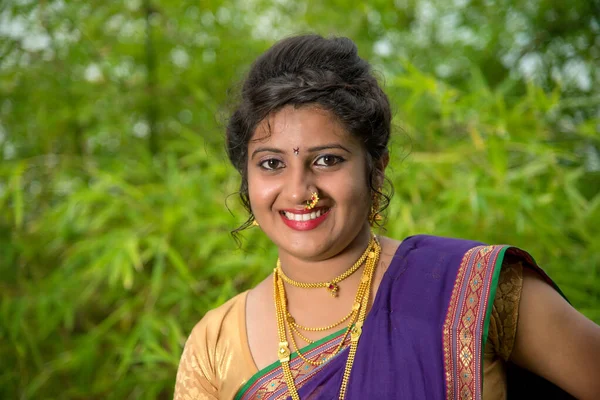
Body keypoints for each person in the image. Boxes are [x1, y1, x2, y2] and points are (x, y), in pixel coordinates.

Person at [174, 34, 600, 400]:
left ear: (376, 169)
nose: (299, 190)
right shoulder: (215, 343)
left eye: (327, 159)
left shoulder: (465, 288)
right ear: (246, 179)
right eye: (271, 164)